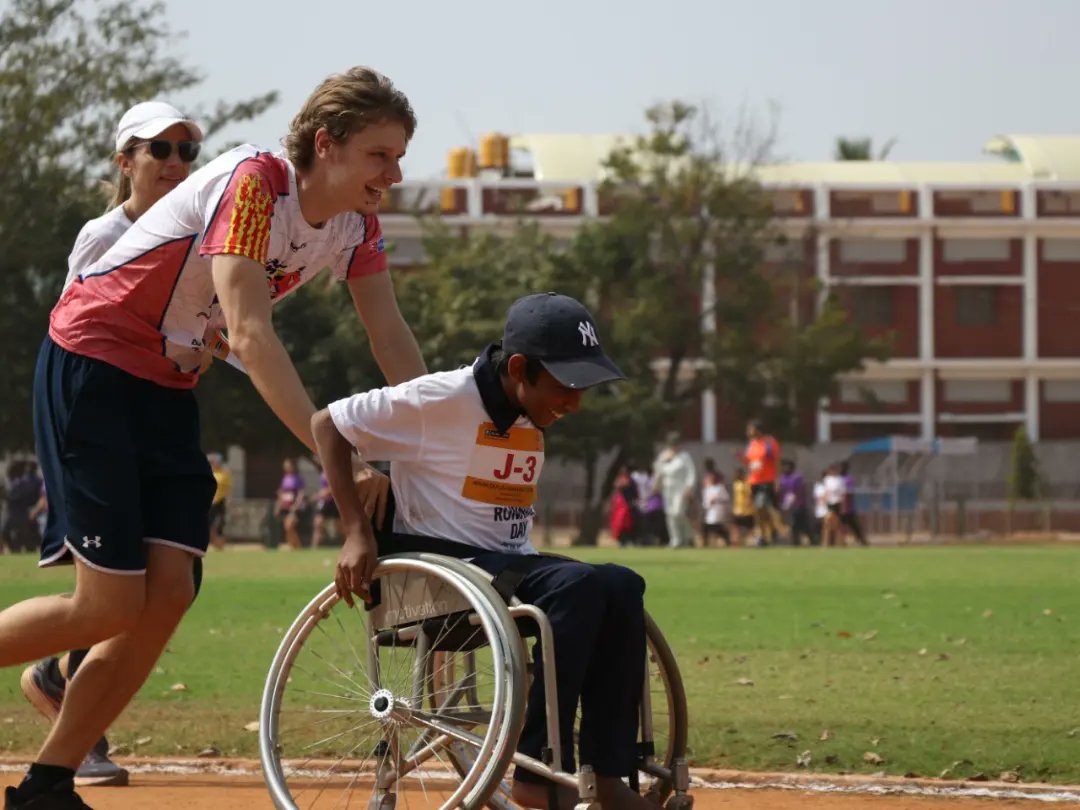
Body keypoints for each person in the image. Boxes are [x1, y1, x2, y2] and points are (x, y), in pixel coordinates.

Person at [5, 67, 427, 809]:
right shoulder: (256, 182)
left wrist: (430, 441)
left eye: (398, 157)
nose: (393, 174)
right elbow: (253, 337)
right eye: (380, 155)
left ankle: (48, 782)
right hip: (94, 363)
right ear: (325, 145)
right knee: (106, 605)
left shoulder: (358, 222)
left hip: (167, 383)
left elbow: (390, 336)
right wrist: (344, 460)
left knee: (170, 592)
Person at [312, 292, 655, 810]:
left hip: (506, 565)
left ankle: (608, 774)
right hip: (443, 576)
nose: (576, 402)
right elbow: (327, 425)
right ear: (519, 368)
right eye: (565, 386)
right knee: (579, 586)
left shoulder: (527, 413)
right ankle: (539, 771)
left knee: (622, 584)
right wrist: (357, 531)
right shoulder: (438, 400)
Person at [18, 101, 206, 792]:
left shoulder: (201, 236)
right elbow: (80, 329)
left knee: (165, 582)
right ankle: (61, 683)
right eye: (160, 149)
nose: (177, 163)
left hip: (157, 402)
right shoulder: (106, 233)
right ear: (125, 160)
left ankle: (61, 689)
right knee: (109, 595)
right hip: (97, 400)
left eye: (188, 150)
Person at [735, 419, 784, 545]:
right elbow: (749, 463)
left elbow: (777, 461)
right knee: (758, 510)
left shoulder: (770, 443)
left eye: (750, 428)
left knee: (761, 505)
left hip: (767, 480)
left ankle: (771, 531)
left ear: (757, 430)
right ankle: (764, 535)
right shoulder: (751, 444)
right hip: (754, 481)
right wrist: (742, 458)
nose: (748, 431)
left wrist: (777, 479)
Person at [654, 432, 697, 549]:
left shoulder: (684, 456)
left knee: (679, 512)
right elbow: (658, 471)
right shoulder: (664, 456)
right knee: (670, 514)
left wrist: (689, 486)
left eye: (676, 444)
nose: (674, 447)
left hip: (680, 489)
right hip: (667, 489)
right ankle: (675, 539)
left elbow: (691, 472)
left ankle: (687, 537)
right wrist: (656, 485)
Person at [274, 459, 308, 550]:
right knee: (287, 528)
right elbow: (281, 493)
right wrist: (278, 506)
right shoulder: (284, 478)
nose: (287, 467)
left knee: (289, 526)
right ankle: (293, 546)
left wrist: (296, 505)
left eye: (289, 465)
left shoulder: (298, 478)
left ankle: (298, 546)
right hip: (285, 506)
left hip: (294, 507)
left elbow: (301, 493)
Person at [779, 458, 813, 546]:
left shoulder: (797, 477)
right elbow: (782, 491)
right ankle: (795, 541)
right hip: (787, 505)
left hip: (798, 504)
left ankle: (809, 539)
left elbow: (801, 490)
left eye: (786, 466)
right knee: (793, 524)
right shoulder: (783, 478)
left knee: (801, 523)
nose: (784, 468)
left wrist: (795, 498)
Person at [699, 460, 730, 547]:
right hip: (710, 511)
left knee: (716, 526)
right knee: (709, 526)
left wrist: (716, 499)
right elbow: (706, 501)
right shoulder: (707, 489)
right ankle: (705, 542)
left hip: (718, 510)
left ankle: (725, 540)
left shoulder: (720, 487)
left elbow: (725, 498)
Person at [838, 460, 869, 546]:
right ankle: (842, 542)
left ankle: (862, 541)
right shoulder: (837, 479)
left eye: (843, 467)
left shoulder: (849, 479)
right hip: (839, 507)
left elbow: (849, 493)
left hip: (849, 508)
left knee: (855, 526)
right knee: (841, 526)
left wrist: (845, 507)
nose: (841, 469)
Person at [208, 453, 232, 550]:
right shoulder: (209, 472)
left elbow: (228, 488)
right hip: (209, 501)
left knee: (220, 522)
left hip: (220, 501)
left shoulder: (224, 474)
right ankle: (212, 542)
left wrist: (229, 499)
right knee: (209, 522)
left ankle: (219, 544)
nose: (216, 464)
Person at [609, 465, 637, 547]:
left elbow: (634, 493)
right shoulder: (619, 480)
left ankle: (628, 540)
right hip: (620, 504)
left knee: (627, 524)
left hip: (628, 505)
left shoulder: (631, 481)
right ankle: (621, 540)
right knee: (619, 524)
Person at [311, 465, 339, 548]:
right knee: (318, 524)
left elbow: (333, 487)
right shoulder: (323, 472)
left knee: (341, 528)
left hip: (334, 502)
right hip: (324, 503)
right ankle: (314, 548)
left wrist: (320, 495)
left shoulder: (333, 471)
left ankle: (348, 547)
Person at [731, 467, 754, 546]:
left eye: (739, 474)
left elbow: (749, 497)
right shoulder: (735, 484)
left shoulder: (746, 483)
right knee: (735, 527)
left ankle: (750, 543)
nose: (737, 475)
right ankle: (736, 543)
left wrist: (746, 507)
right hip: (737, 510)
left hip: (747, 511)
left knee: (749, 528)